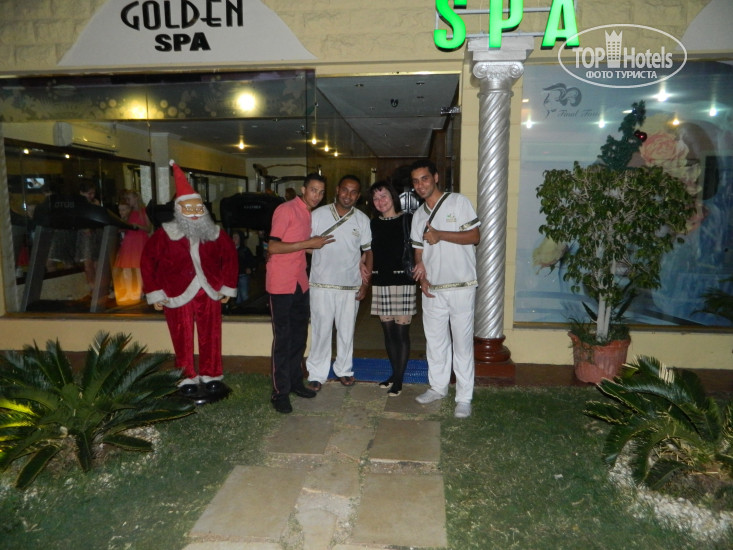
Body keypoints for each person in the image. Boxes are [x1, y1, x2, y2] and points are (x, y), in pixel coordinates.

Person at [141, 160, 238, 404]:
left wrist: (227, 286)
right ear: (178, 209)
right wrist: (155, 292)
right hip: (175, 293)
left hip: (209, 290)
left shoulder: (215, 232)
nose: (194, 212)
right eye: (188, 207)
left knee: (211, 334)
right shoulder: (165, 234)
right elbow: (147, 262)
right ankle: (186, 378)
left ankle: (211, 373)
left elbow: (230, 258)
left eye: (198, 207)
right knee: (181, 335)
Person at [410, 159, 481, 419]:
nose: (420, 185)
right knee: (436, 342)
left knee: (462, 344)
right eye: (416, 181)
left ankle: (464, 397)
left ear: (436, 177)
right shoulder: (418, 215)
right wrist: (421, 272)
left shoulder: (457, 202)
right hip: (432, 288)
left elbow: (474, 237)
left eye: (425, 179)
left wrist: (441, 235)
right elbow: (418, 249)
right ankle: (438, 387)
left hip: (461, 285)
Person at [267, 173, 334, 413]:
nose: (317, 195)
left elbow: (300, 247)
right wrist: (308, 244)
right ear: (303, 189)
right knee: (283, 339)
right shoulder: (286, 210)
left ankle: (295, 382)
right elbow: (273, 246)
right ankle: (280, 392)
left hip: (300, 283)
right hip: (281, 284)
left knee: (299, 337)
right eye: (313, 190)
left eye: (321, 192)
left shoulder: (307, 214)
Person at [306, 175, 372, 391]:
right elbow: (304, 244)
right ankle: (317, 373)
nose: (348, 195)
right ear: (337, 190)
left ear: (358, 196)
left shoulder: (362, 219)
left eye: (353, 192)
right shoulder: (318, 215)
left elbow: (368, 251)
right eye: (345, 190)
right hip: (321, 285)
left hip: (350, 286)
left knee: (346, 331)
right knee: (321, 330)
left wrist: (365, 284)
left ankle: (344, 370)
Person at [367, 180, 417, 397]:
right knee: (388, 333)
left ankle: (398, 380)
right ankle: (395, 374)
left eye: (384, 196)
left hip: (403, 280)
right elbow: (367, 251)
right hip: (381, 280)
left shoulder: (408, 220)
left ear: (393, 197)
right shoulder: (372, 224)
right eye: (376, 198)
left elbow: (420, 248)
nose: (380, 201)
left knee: (401, 332)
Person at [114, 189, 152, 303]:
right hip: (129, 241)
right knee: (126, 267)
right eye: (127, 199)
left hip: (139, 241)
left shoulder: (144, 211)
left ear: (136, 198)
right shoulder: (129, 212)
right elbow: (125, 226)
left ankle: (139, 292)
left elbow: (148, 228)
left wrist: (138, 226)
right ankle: (129, 291)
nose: (128, 201)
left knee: (138, 268)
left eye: (129, 198)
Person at [75, 181, 102, 295]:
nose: (92, 196)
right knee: (88, 263)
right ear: (81, 193)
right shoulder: (77, 205)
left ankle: (100, 287)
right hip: (85, 236)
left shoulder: (95, 203)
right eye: (89, 193)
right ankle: (93, 287)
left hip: (96, 234)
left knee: (97, 263)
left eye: (93, 193)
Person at [231, 230, 257, 305]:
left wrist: (250, 268)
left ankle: (247, 309)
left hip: (243, 276)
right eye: (233, 237)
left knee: (244, 295)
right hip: (234, 277)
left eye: (236, 237)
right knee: (237, 297)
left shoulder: (245, 250)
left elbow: (252, 261)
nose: (234, 239)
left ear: (240, 239)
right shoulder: (230, 250)